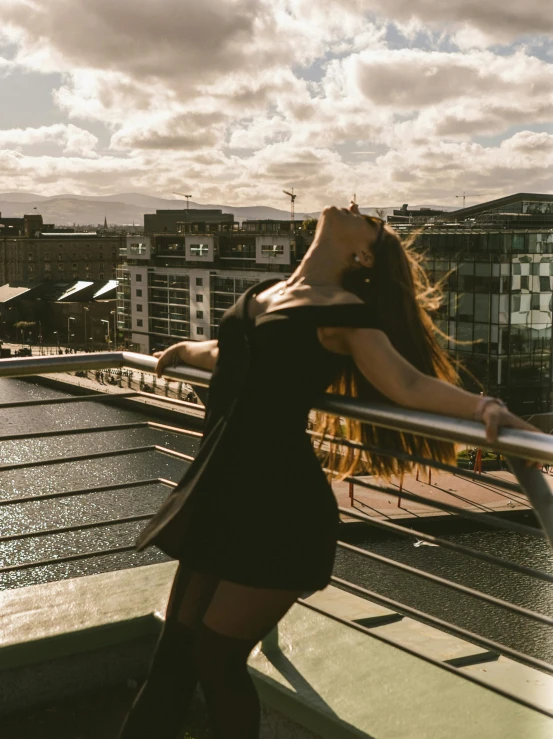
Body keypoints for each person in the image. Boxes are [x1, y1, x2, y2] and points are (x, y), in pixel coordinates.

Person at [118, 203, 535, 739]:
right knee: (175, 652)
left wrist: (483, 409)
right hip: (222, 493)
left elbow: (404, 384)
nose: (359, 209)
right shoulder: (268, 291)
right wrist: (182, 350)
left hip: (280, 508)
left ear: (363, 252)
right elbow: (232, 352)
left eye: (372, 221)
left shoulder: (343, 312)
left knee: (216, 658)